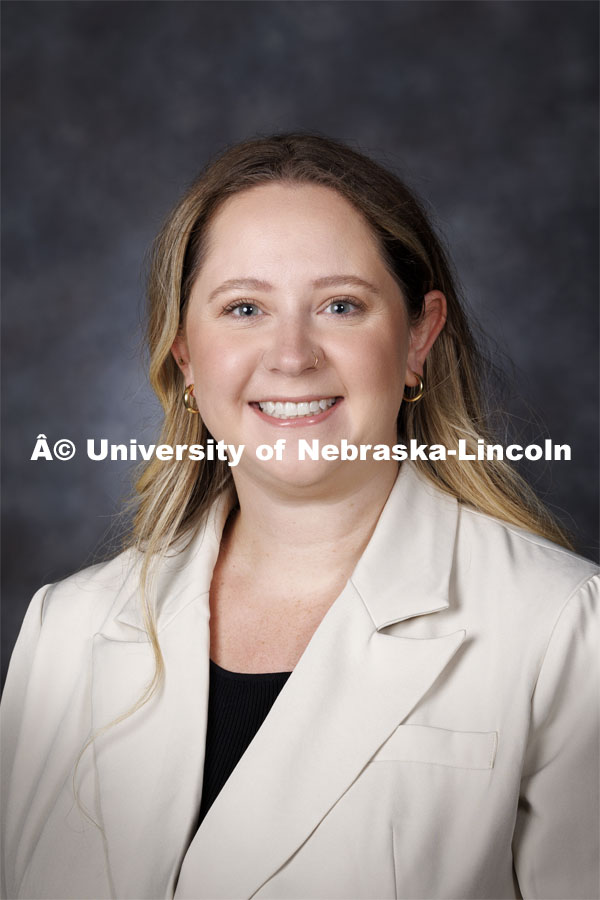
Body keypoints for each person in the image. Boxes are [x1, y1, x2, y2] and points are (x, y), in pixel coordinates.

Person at [1, 133, 598, 900]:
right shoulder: (64, 631)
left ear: (418, 336)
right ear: (185, 353)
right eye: (244, 308)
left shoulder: (562, 631)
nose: (291, 355)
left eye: (340, 306)